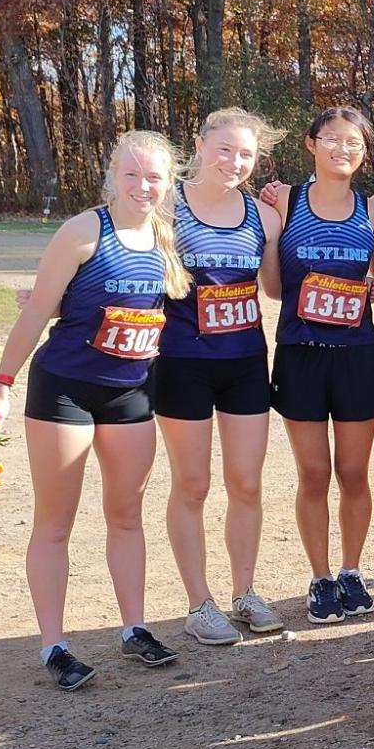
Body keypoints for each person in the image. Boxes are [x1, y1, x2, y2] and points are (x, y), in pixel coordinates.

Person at [0, 130, 192, 689]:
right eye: (132, 173)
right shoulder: (83, 230)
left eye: (154, 176)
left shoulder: (166, 238)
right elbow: (35, 314)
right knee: (56, 521)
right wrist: (1, 385)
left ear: (169, 182)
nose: (142, 185)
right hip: (65, 391)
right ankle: (54, 645)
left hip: (130, 395)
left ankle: (135, 630)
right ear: (111, 175)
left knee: (127, 515)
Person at [152, 108, 286, 644]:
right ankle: (198, 603)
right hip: (182, 362)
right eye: (225, 149)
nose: (234, 162)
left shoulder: (263, 216)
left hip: (246, 362)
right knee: (192, 483)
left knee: (247, 483)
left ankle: (245, 592)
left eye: (247, 154)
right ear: (201, 145)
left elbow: (275, 289)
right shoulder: (166, 205)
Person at [263, 106, 374, 625]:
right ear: (311, 143)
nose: (343, 149)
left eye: (353, 142)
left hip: (358, 356)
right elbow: (272, 287)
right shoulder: (283, 201)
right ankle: (319, 578)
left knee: (354, 472)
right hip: (301, 354)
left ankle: (351, 570)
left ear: (365, 152)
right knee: (314, 473)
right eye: (331, 139)